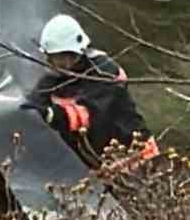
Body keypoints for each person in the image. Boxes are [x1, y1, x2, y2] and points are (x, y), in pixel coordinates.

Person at [25, 13, 152, 168]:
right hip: (96, 164)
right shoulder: (54, 80)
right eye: (50, 57)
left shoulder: (103, 72)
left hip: (135, 157)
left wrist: (52, 115)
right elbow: (33, 103)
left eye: (57, 57)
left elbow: (89, 114)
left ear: (73, 55)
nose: (53, 63)